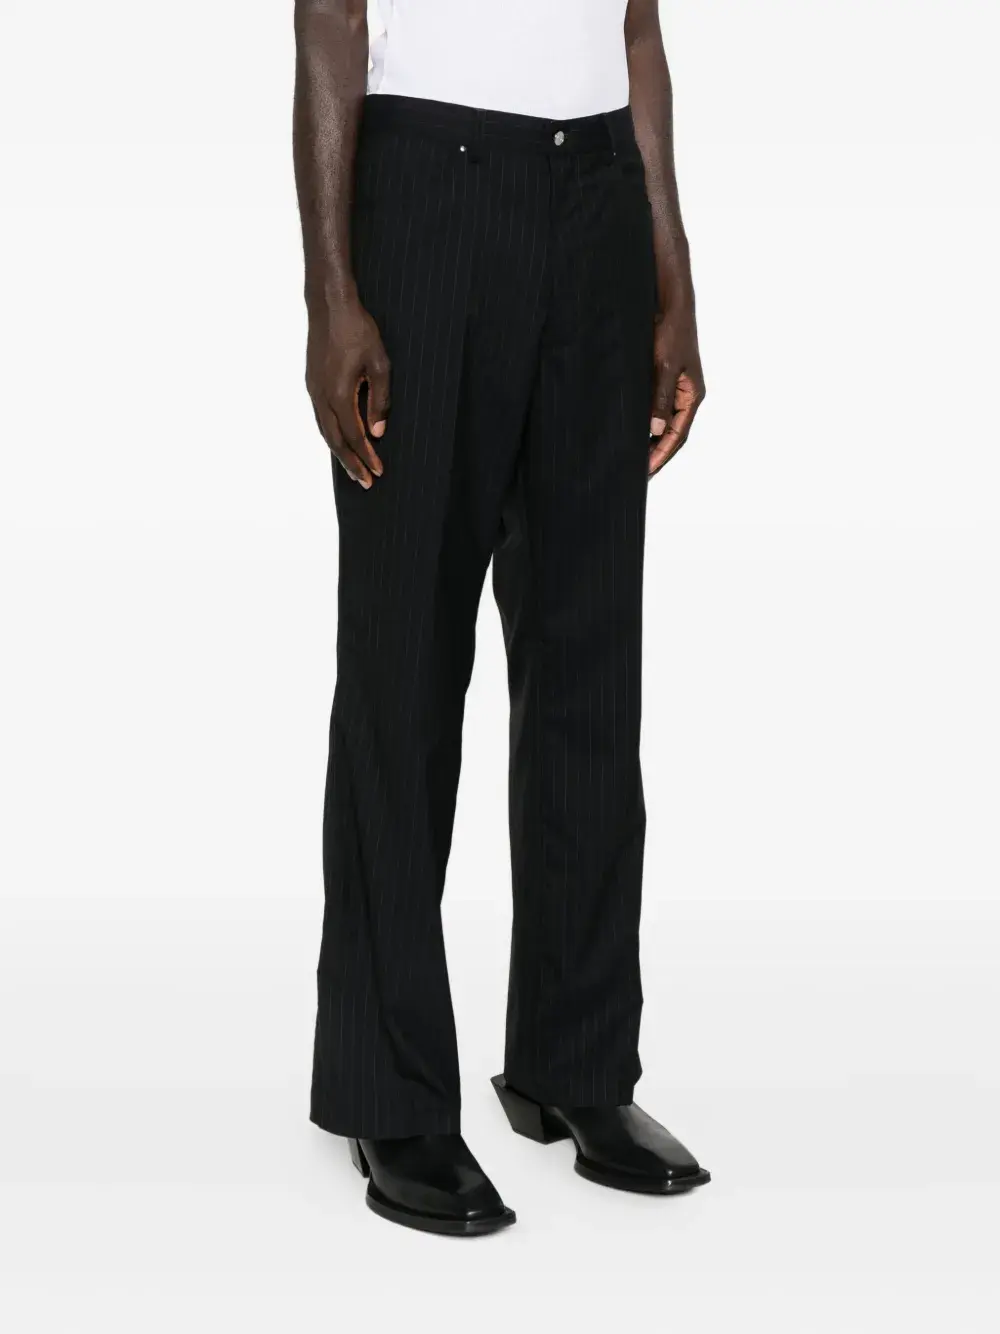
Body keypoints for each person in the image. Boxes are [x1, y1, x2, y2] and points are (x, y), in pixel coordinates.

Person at [293, 0, 709, 1236]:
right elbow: (330, 19)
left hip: (597, 197)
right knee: (404, 664)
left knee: (590, 659)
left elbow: (637, 30)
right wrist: (331, 293)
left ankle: (576, 1065)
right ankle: (386, 1088)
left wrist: (673, 276)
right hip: (427, 185)